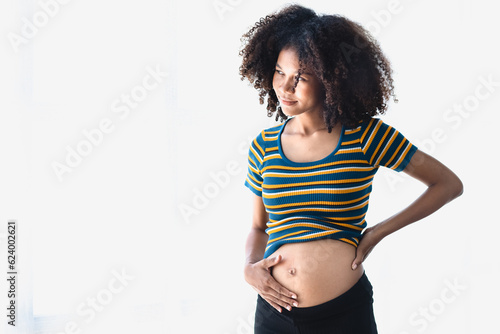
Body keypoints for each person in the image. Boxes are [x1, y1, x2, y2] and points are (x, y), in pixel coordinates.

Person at [239, 4, 464, 334]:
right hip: (274, 315)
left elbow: (447, 184)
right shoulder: (263, 145)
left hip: (342, 313)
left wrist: (376, 232)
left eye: (300, 77)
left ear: (331, 78)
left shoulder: (367, 136)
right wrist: (248, 268)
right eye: (279, 72)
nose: (285, 87)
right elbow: (259, 228)